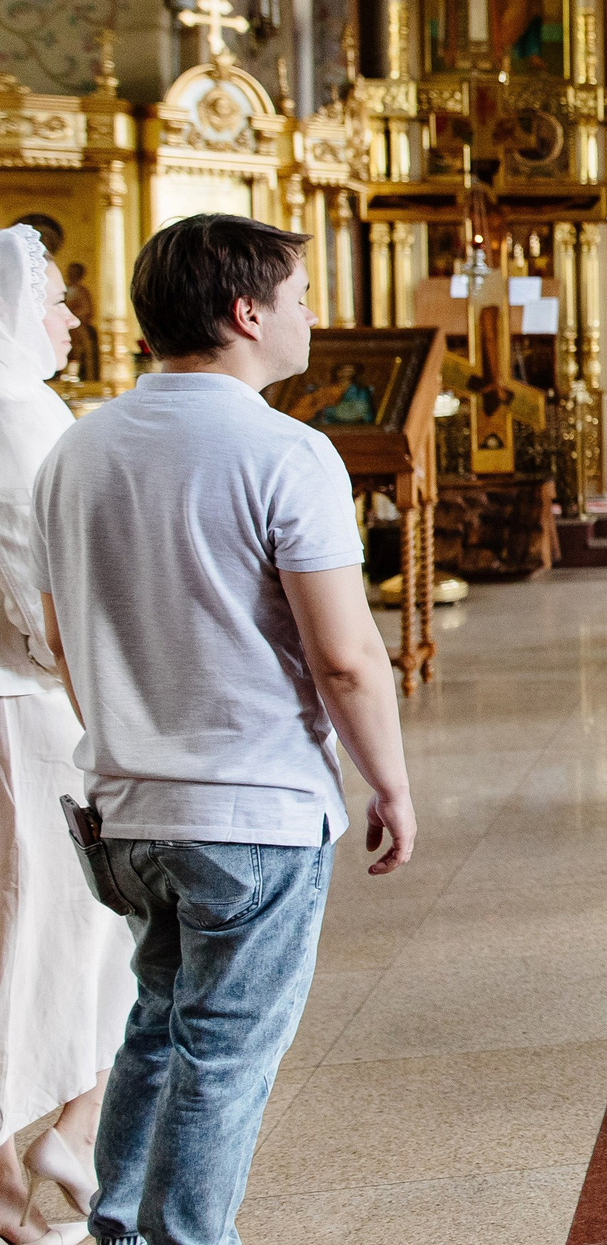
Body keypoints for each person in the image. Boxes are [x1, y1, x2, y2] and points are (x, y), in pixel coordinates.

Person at [34, 213, 416, 1245]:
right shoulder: (286, 451)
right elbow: (342, 655)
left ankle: (119, 1227)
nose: (314, 316)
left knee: (157, 1027)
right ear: (247, 313)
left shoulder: (78, 449)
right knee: (226, 1052)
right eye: (299, 297)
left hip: (123, 807)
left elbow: (68, 642)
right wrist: (389, 781)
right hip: (251, 809)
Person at [0, 227, 131, 1242]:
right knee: (45, 940)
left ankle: (63, 1139)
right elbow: (36, 608)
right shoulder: (19, 414)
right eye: (53, 294)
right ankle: (27, 1182)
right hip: (29, 717)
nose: (72, 312)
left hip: (29, 709)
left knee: (74, 939)